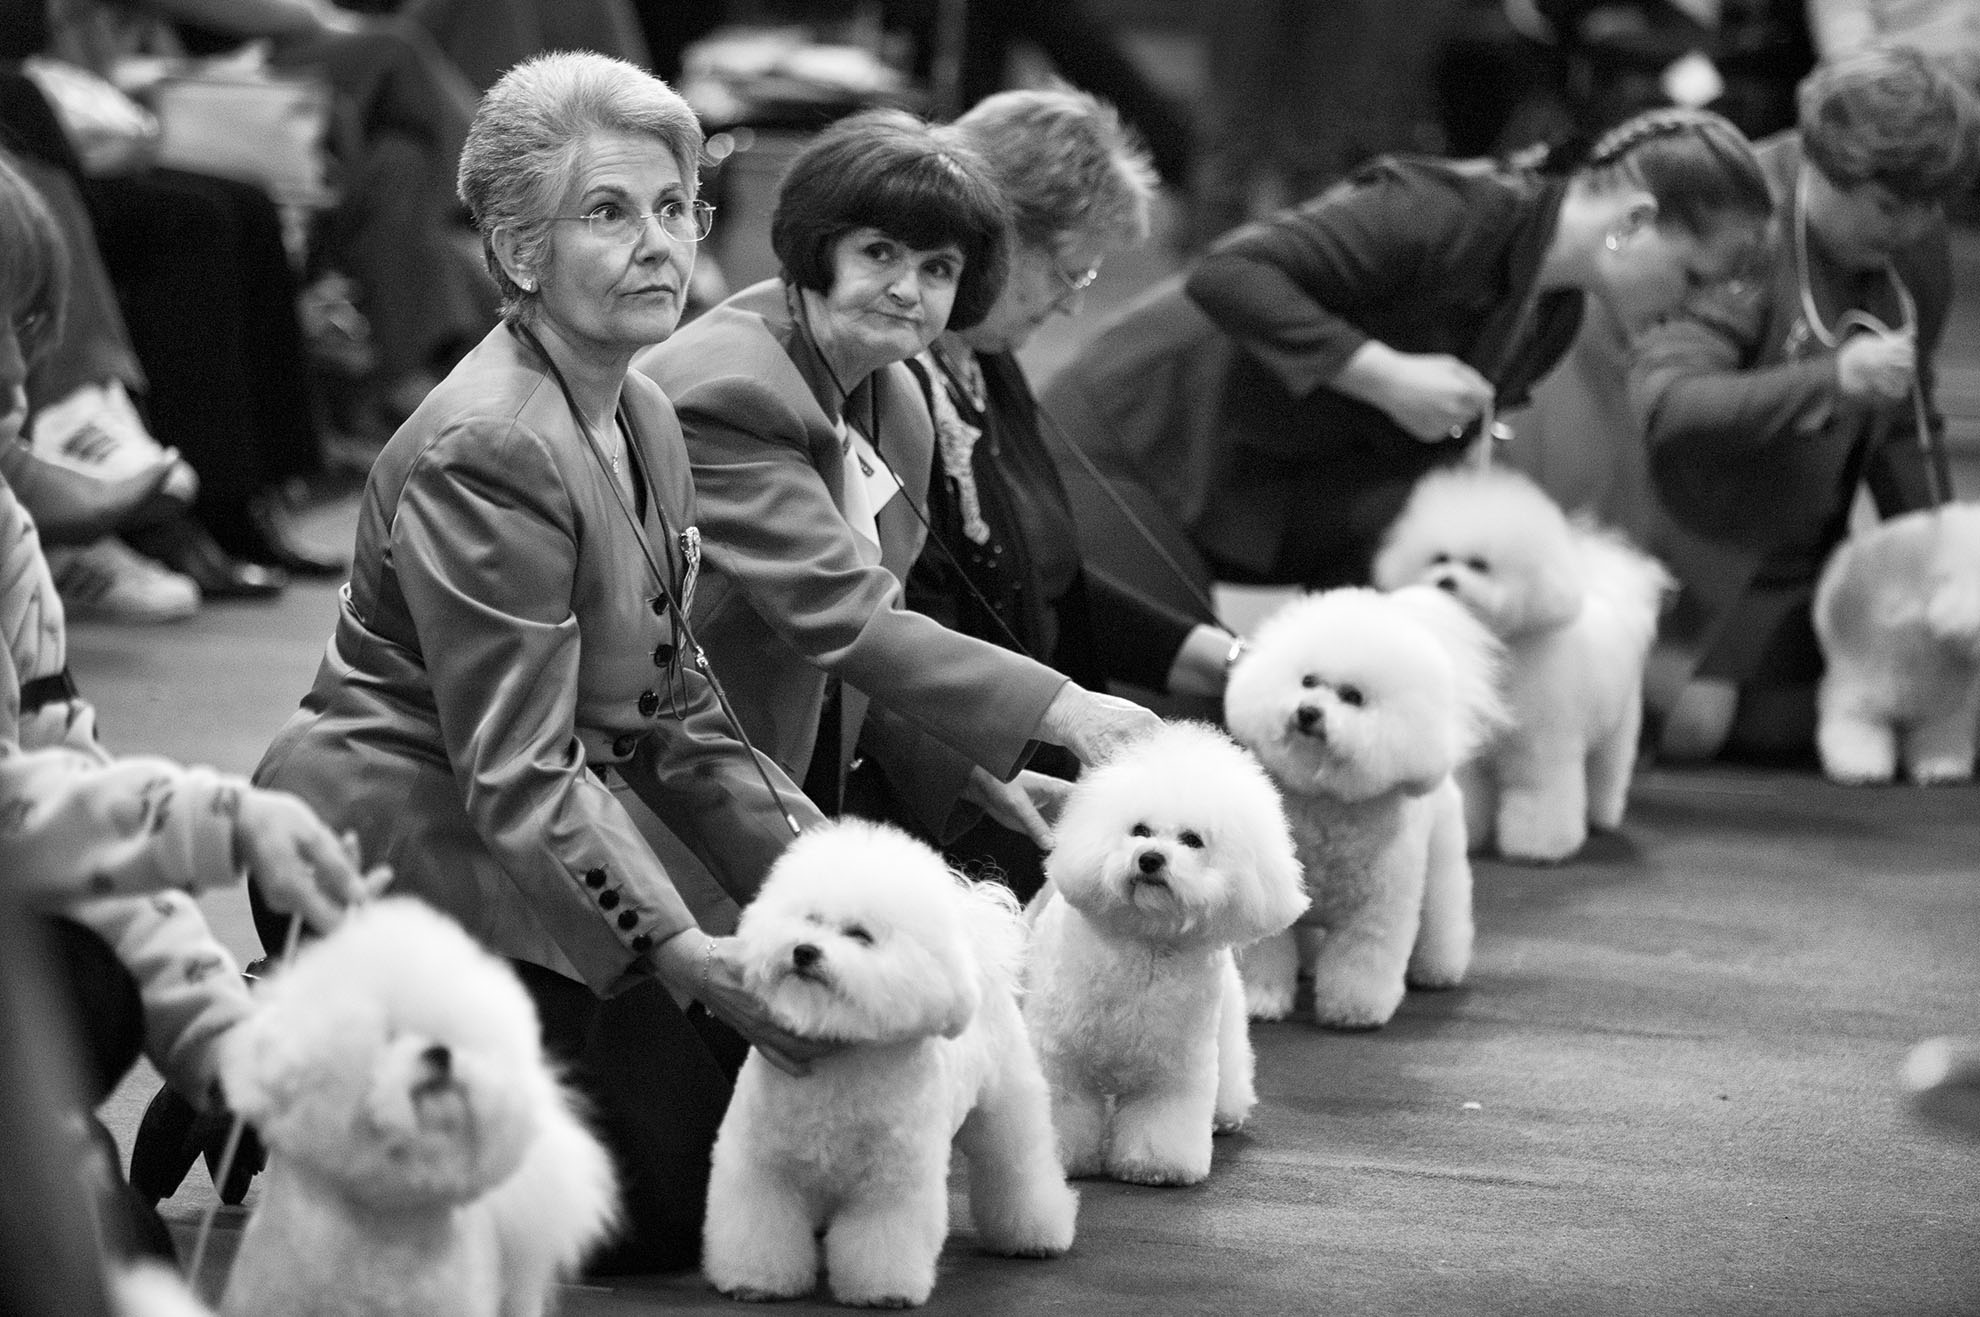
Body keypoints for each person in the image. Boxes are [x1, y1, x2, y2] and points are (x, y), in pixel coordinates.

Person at [242, 52, 834, 1274]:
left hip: (534, 815)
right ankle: (298, 1043)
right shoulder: (489, 449)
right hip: (398, 826)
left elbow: (682, 709)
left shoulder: (643, 407)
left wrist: (833, 886)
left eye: (676, 208)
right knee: (659, 1211)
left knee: (785, 1127)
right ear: (518, 253)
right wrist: (684, 954)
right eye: (608, 213)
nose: (660, 246)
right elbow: (515, 766)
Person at [0, 146, 379, 1267]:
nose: (22, 378)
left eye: (30, 330)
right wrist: (223, 823)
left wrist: (222, 1045)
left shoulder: (9, 537)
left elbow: (72, 805)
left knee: (96, 952)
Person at [634, 107, 1160, 871]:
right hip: (662, 786)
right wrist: (1069, 709)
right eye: (880, 253)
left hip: (778, 764)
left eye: (938, 268)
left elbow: (864, 650)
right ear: (818, 250)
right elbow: (843, 614)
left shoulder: (899, 396)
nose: (907, 290)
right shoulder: (733, 389)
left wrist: (967, 770)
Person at [1038, 106, 1776, 613]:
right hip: (1128, 437)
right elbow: (1228, 274)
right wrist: (1381, 373)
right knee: (1165, 722)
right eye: (1693, 278)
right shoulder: (1447, 209)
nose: (1692, 309)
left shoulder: (1556, 316)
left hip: (1249, 486)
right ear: (1637, 222)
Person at [843, 86, 1238, 899]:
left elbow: (1047, 575)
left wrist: (1229, 660)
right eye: (1070, 270)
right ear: (999, 239)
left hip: (1021, 761)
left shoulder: (986, 362)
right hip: (946, 799)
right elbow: (895, 628)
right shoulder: (885, 385)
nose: (1075, 301)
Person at [1631, 44, 1980, 763]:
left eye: (1930, 210)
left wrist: (1946, 573)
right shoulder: (1734, 221)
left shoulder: (1916, 245)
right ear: (1825, 165)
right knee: (1705, 732)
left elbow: (1904, 424)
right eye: (1889, 207)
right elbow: (1667, 408)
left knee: (1945, 684)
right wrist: (1830, 381)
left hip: (1801, 549)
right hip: (1679, 547)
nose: (1912, 230)